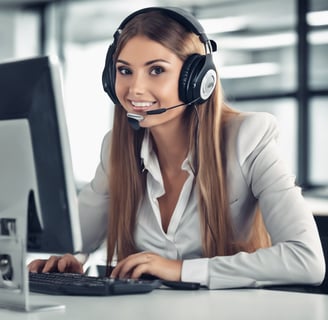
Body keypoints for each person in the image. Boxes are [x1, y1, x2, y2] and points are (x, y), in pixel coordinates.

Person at [28, 7, 325, 289]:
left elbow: (307, 260)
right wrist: (67, 258)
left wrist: (180, 270)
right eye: (124, 70)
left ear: (197, 80)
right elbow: (77, 240)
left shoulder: (248, 137)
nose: (135, 89)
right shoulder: (116, 149)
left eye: (156, 70)